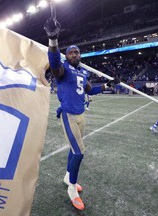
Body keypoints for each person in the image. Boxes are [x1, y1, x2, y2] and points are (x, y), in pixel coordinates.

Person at [44, 12, 118, 210]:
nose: (75, 54)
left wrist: (108, 85)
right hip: (68, 114)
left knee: (73, 149)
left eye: (77, 52)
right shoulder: (63, 70)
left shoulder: (83, 72)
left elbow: (90, 90)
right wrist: (53, 38)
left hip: (80, 115)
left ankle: (68, 177)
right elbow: (54, 64)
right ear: (67, 56)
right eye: (71, 52)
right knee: (79, 152)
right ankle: (72, 189)